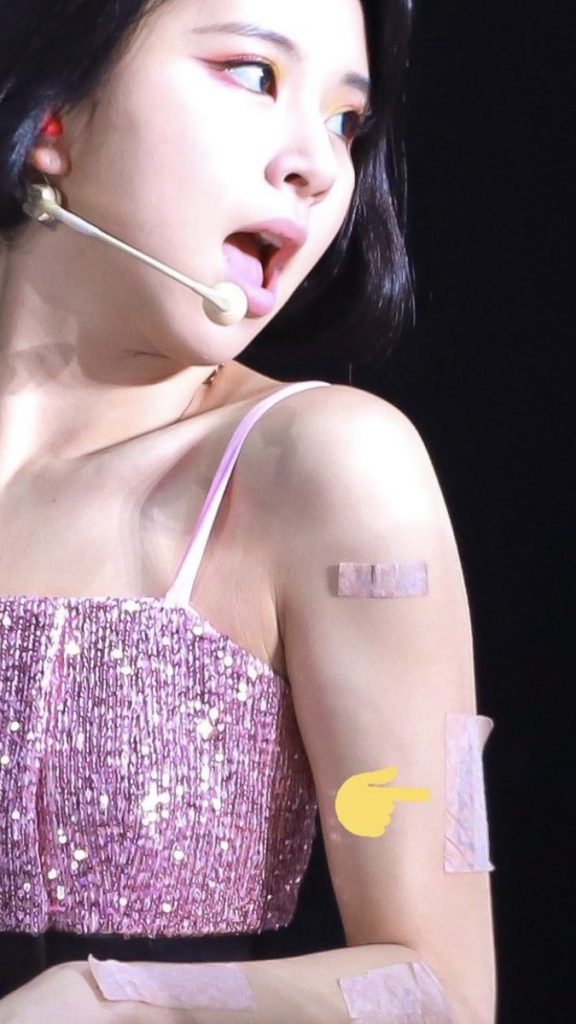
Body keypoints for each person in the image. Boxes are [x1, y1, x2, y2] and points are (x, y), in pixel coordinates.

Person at [0, 0, 496, 1020]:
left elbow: (440, 990)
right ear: (54, 117)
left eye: (346, 123)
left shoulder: (330, 467)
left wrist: (103, 1002)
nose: (317, 165)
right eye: (255, 75)